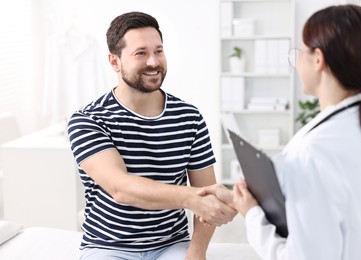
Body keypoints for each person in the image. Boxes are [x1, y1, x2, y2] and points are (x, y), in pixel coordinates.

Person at [200, 4, 361, 260]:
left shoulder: (313, 151)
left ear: (318, 59)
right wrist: (239, 198)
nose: (296, 60)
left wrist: (253, 215)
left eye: (300, 51)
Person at [67, 11, 236, 260]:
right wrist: (192, 199)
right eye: (141, 53)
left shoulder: (189, 117)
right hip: (107, 246)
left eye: (158, 51)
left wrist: (196, 252)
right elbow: (121, 188)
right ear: (115, 62)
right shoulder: (88, 120)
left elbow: (206, 192)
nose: (153, 62)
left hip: (171, 244)